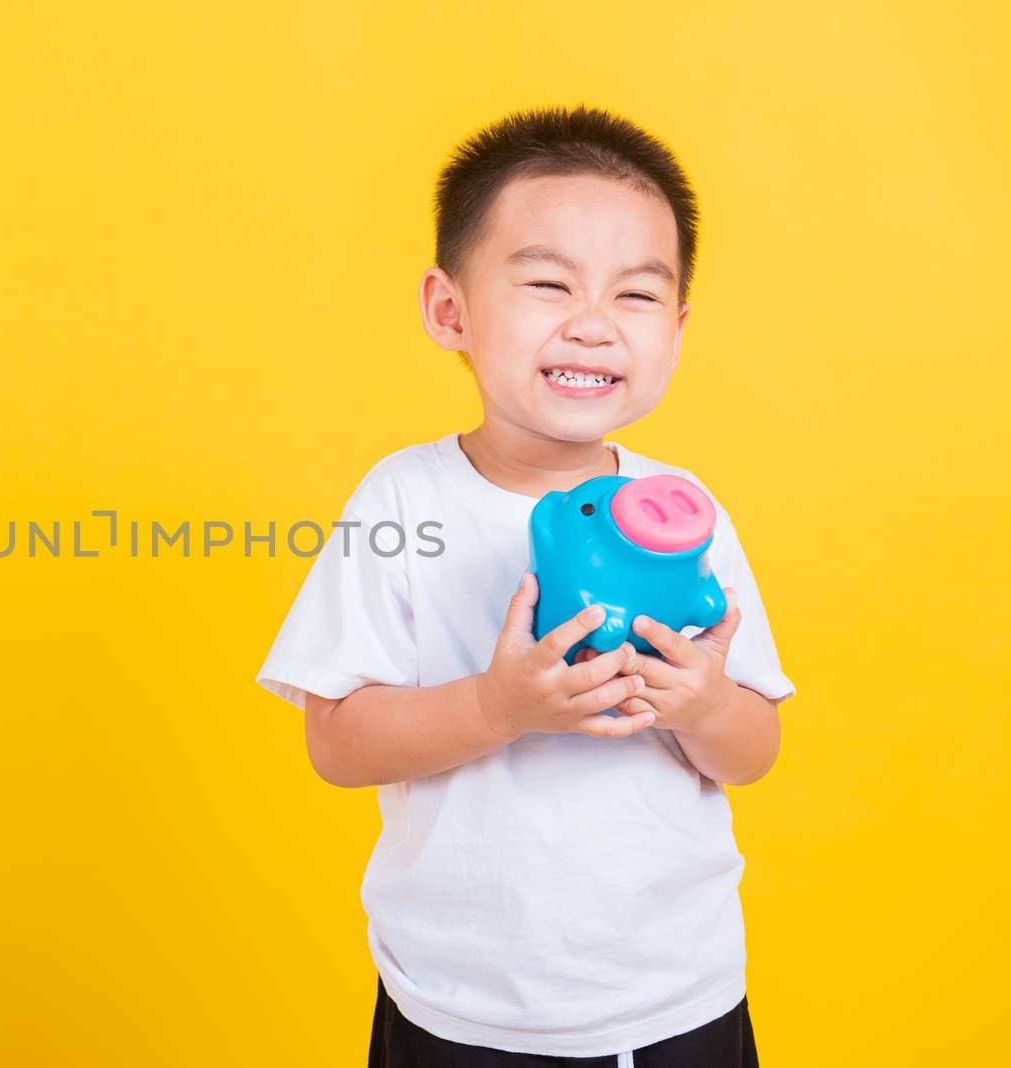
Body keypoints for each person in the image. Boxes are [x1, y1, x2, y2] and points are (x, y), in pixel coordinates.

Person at [255, 104, 796, 1066]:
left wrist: (704, 702)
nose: (592, 326)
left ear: (676, 330)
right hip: (460, 1007)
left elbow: (753, 750)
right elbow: (336, 743)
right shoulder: (403, 499)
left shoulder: (683, 511)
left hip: (678, 994)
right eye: (548, 283)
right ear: (449, 309)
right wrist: (499, 705)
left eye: (636, 297)